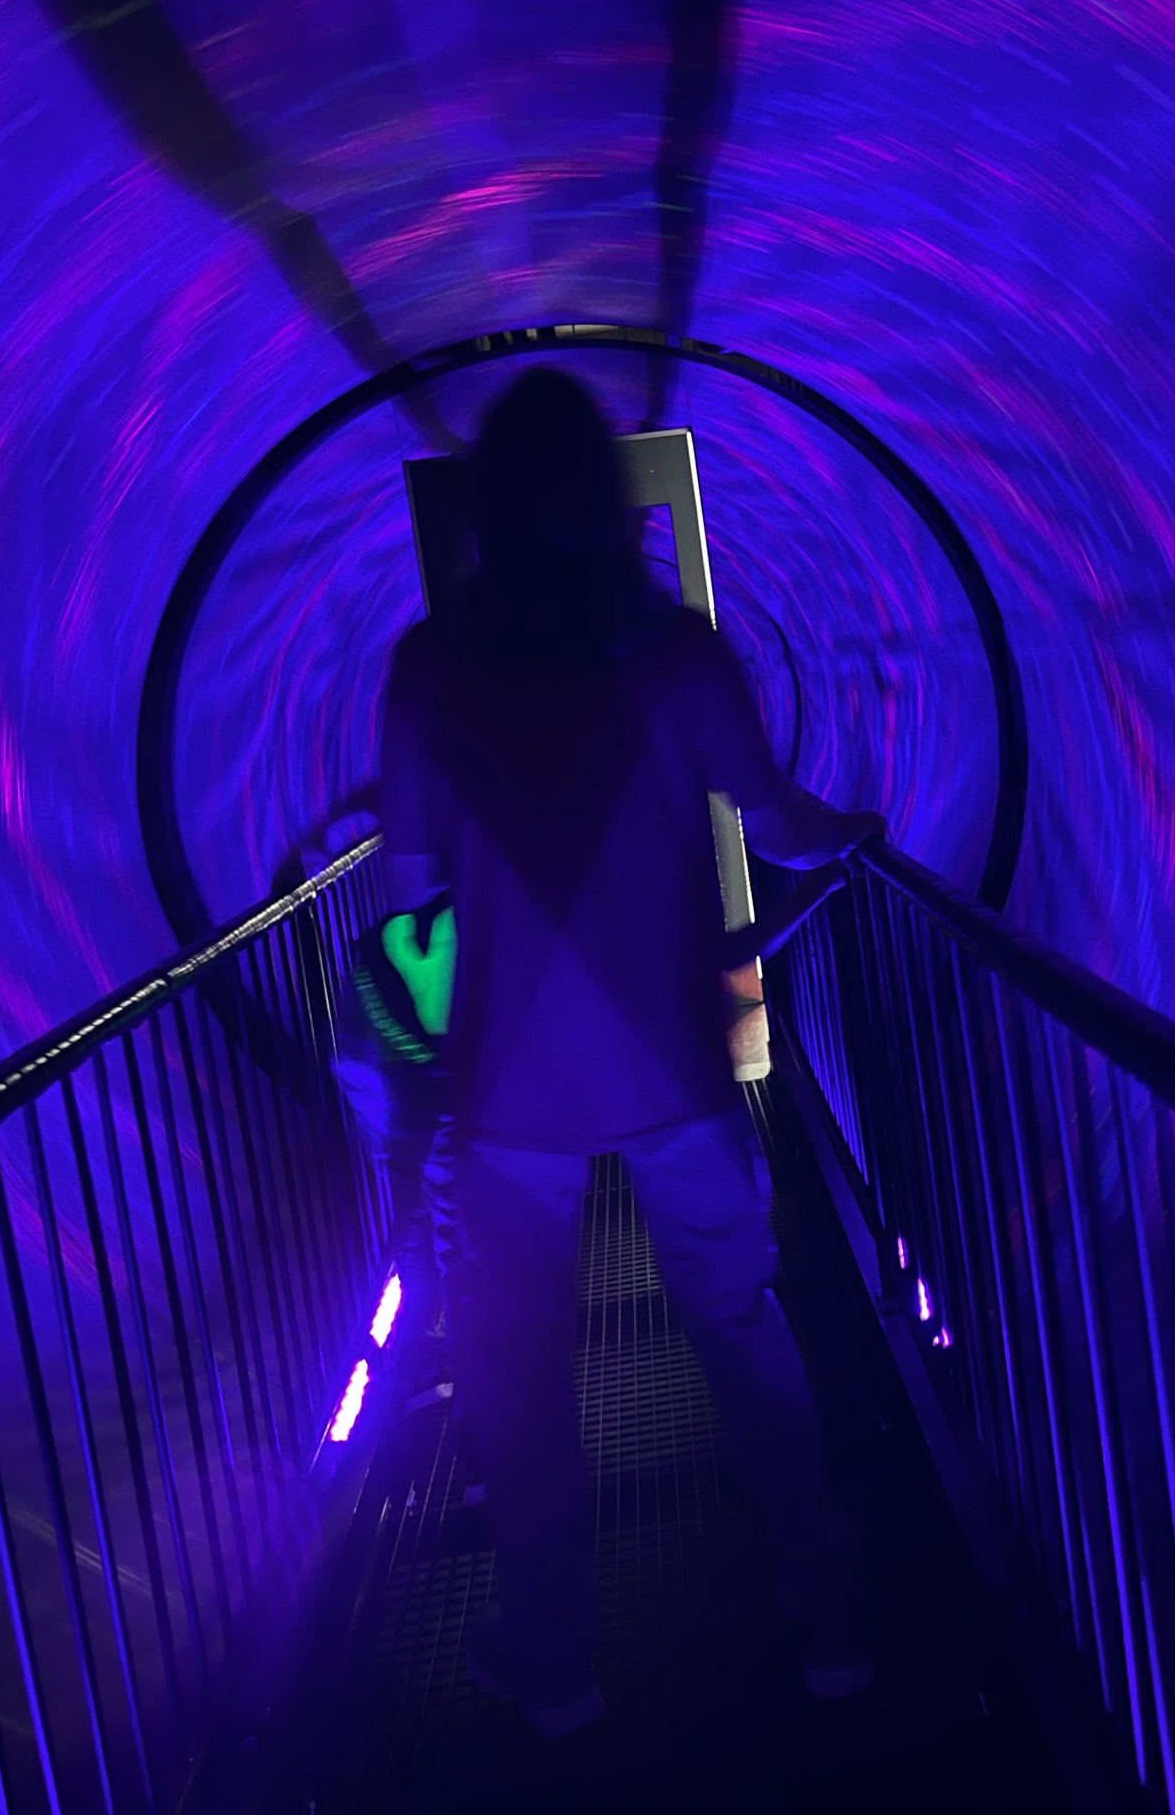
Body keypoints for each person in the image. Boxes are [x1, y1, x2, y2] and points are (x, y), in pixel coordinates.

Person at [377, 365, 885, 1736]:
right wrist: (858, 835)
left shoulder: (430, 667)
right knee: (745, 1332)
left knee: (520, 1377)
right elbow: (781, 825)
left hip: (500, 1093)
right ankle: (829, 1618)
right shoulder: (680, 656)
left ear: (487, 512)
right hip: (675, 1066)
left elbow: (409, 905)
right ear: (612, 505)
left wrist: (403, 1093)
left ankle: (553, 1662)